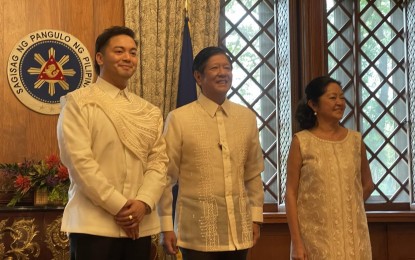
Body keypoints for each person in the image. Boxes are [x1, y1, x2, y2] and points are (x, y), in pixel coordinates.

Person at [57, 26, 168, 260]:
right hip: (93, 225)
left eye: (133, 52)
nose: (128, 57)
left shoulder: (148, 111)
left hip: (140, 225)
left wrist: (143, 203)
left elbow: (159, 163)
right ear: (100, 57)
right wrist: (120, 207)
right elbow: (79, 163)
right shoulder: (78, 103)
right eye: (119, 51)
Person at [158, 46, 265, 260]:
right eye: (215, 68)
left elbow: (253, 173)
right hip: (196, 232)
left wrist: (255, 218)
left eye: (227, 67)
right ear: (198, 76)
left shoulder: (246, 118)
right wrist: (165, 225)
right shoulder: (179, 118)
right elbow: (165, 177)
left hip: (240, 230)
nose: (223, 73)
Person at [285, 76, 375, 260]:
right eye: (332, 98)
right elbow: (291, 193)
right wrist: (297, 242)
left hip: (354, 238)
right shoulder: (302, 141)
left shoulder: (355, 141)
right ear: (313, 104)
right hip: (314, 239)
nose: (340, 103)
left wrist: (346, 205)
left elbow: (368, 184)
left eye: (342, 97)